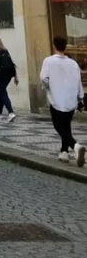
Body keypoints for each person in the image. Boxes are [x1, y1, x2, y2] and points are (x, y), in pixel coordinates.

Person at [40, 36, 85, 165]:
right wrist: (81, 98)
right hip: (71, 99)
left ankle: (75, 146)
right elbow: (78, 81)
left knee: (58, 126)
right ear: (65, 47)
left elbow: (44, 78)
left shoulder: (49, 61)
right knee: (66, 126)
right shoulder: (73, 63)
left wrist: (50, 86)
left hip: (57, 99)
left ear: (54, 46)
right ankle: (64, 152)